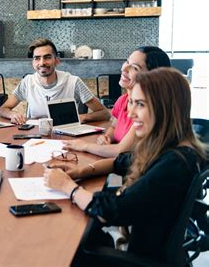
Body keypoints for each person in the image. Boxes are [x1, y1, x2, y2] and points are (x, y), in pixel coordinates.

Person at [43, 67, 206, 261]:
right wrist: (81, 171)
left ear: (165, 108)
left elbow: (111, 212)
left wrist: (67, 187)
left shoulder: (174, 163)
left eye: (140, 104)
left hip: (142, 260)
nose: (130, 113)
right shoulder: (171, 147)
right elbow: (122, 161)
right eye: (131, 103)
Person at [62, 46, 171, 157]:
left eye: (134, 67)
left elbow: (120, 151)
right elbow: (114, 127)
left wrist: (84, 146)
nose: (124, 69)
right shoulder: (122, 100)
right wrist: (107, 137)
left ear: (153, 77)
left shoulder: (147, 110)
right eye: (127, 61)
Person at [0, 38, 110, 124]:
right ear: (33, 63)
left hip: (65, 136)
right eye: (37, 58)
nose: (42, 63)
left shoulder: (74, 82)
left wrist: (82, 117)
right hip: (35, 135)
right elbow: (2, 109)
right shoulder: (27, 82)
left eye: (47, 57)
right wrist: (11, 114)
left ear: (56, 61)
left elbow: (104, 113)